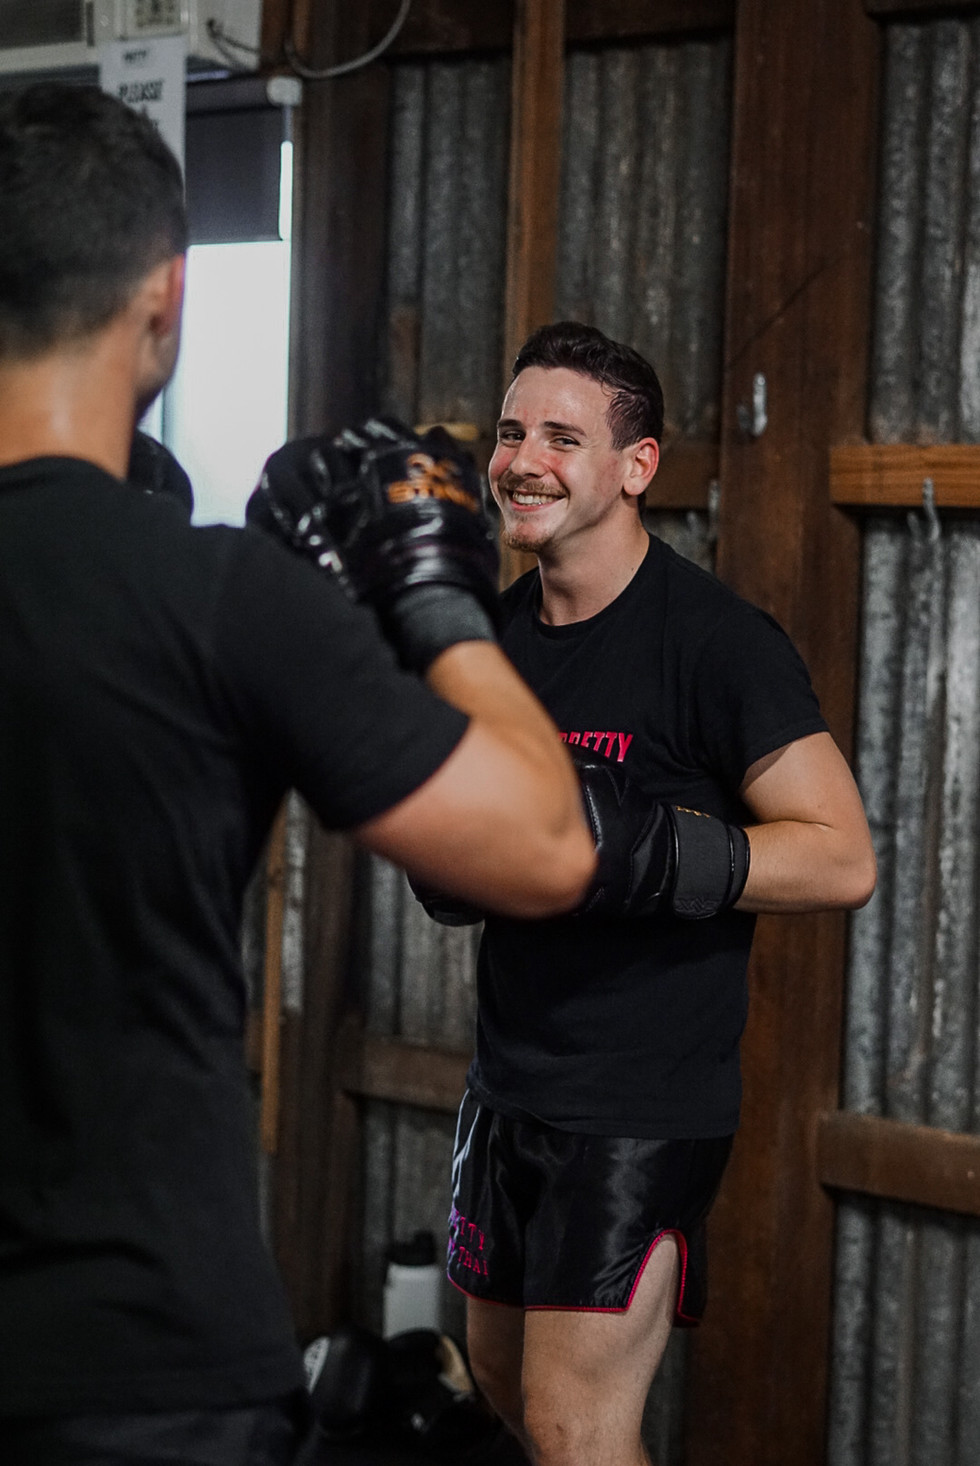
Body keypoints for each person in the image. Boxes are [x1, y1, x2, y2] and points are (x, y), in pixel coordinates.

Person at [0, 86, 597, 1466]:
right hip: (136, 1362)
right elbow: (545, 844)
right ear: (166, 299)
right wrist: (433, 594)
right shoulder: (218, 602)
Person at [421, 322, 877, 1466]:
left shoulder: (715, 643)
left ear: (636, 466)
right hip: (508, 1076)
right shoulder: (493, 640)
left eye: (562, 437)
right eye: (515, 429)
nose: (523, 458)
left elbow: (839, 856)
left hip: (637, 1104)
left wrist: (653, 851)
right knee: (503, 1387)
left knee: (578, 1429)